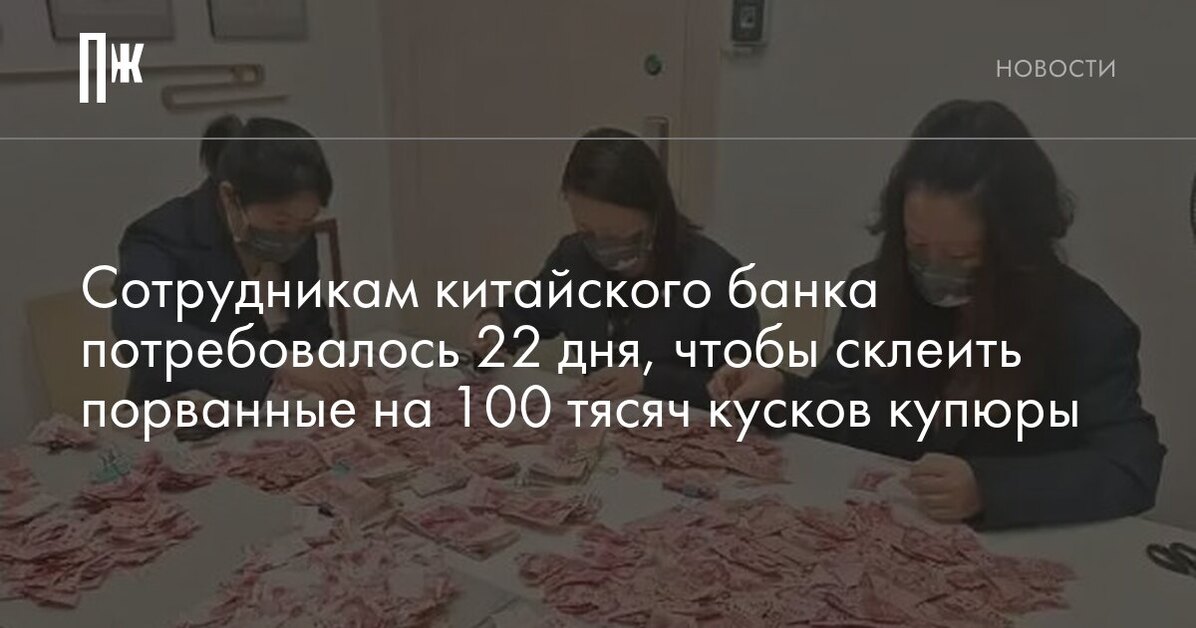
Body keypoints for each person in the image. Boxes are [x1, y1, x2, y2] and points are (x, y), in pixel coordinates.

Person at [708, 100, 1165, 529]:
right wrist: (780, 393)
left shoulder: (1086, 324)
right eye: (918, 246)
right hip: (884, 529)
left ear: (1016, 247)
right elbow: (845, 409)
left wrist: (989, 489)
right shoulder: (876, 288)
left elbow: (1129, 468)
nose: (935, 271)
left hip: (1012, 549)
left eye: (961, 256)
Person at [470, 127, 760, 403]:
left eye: (617, 236)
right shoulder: (574, 259)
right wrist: (494, 326)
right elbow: (524, 314)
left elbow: (745, 391)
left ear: (655, 215)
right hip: (598, 423)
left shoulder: (715, 275)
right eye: (587, 231)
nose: (602, 249)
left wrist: (650, 379)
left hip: (684, 426)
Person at [113, 115, 363, 404]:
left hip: (281, 409)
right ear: (230, 197)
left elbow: (312, 328)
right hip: (184, 410)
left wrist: (327, 366)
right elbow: (145, 336)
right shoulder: (161, 235)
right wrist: (275, 362)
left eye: (306, 221)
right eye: (281, 222)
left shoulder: (296, 232)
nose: (293, 234)